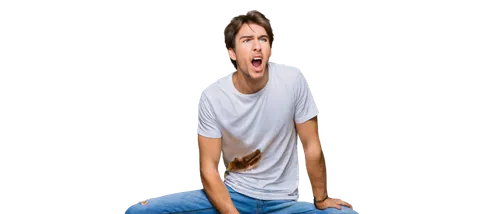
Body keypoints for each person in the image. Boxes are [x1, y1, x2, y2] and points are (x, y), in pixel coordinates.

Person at [124, 9, 359, 214]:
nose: (257, 45)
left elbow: (311, 146)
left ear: (270, 51)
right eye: (247, 40)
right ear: (232, 53)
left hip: (284, 202)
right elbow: (208, 168)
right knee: (136, 211)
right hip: (234, 195)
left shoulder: (293, 81)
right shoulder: (213, 97)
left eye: (263, 39)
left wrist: (321, 198)